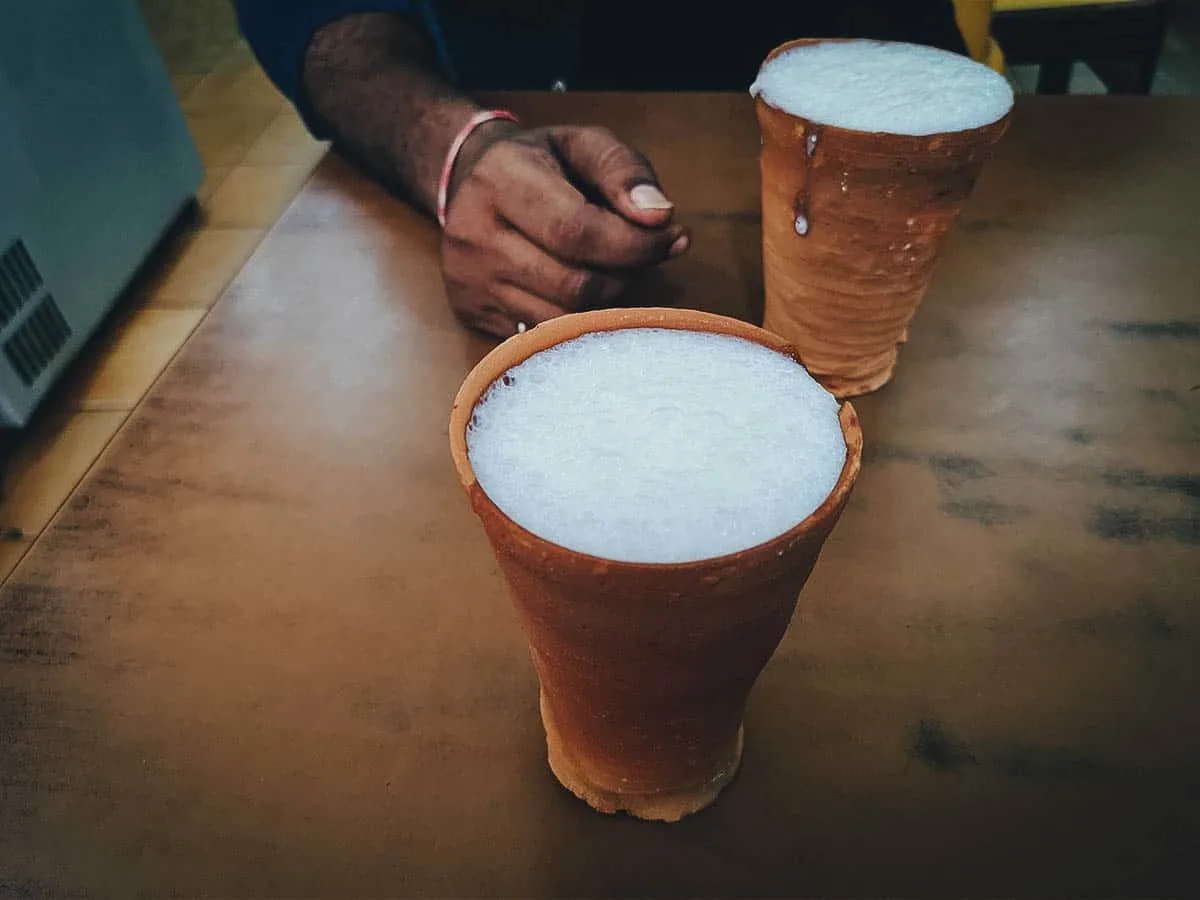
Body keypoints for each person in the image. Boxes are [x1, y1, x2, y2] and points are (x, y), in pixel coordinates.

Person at [233, 1, 968, 338]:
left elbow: (918, 44)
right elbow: (309, 14)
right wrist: (449, 146)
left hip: (841, 196)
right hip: (467, 152)